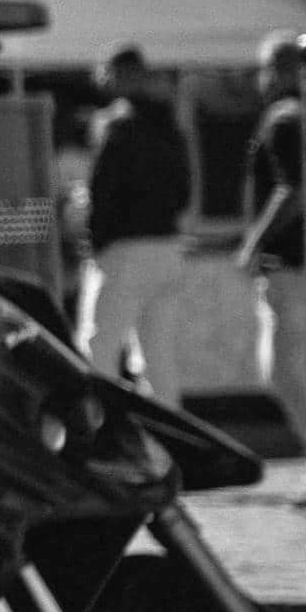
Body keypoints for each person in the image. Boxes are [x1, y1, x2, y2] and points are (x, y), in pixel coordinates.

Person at [78, 44, 198, 392]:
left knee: (99, 348)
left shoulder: (114, 125)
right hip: (167, 245)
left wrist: (95, 241)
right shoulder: (170, 125)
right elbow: (183, 194)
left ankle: (101, 436)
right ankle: (165, 444)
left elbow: (104, 192)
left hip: (123, 249)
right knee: (157, 356)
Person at [241, 31, 306, 448]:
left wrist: (253, 243)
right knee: (301, 369)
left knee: (283, 371)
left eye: (263, 69)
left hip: (289, 261)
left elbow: (293, 189)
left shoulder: (284, 119)